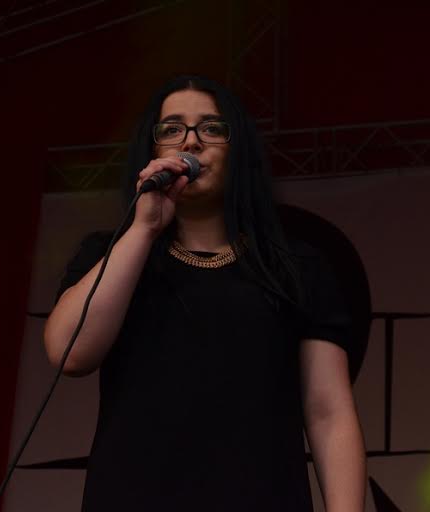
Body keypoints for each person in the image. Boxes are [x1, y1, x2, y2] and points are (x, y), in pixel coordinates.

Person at [43, 75, 367, 511]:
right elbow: (70, 353)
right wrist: (143, 228)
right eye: (172, 128)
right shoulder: (112, 253)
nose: (191, 141)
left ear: (238, 151)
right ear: (152, 150)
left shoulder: (298, 265)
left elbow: (328, 411)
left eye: (212, 128)